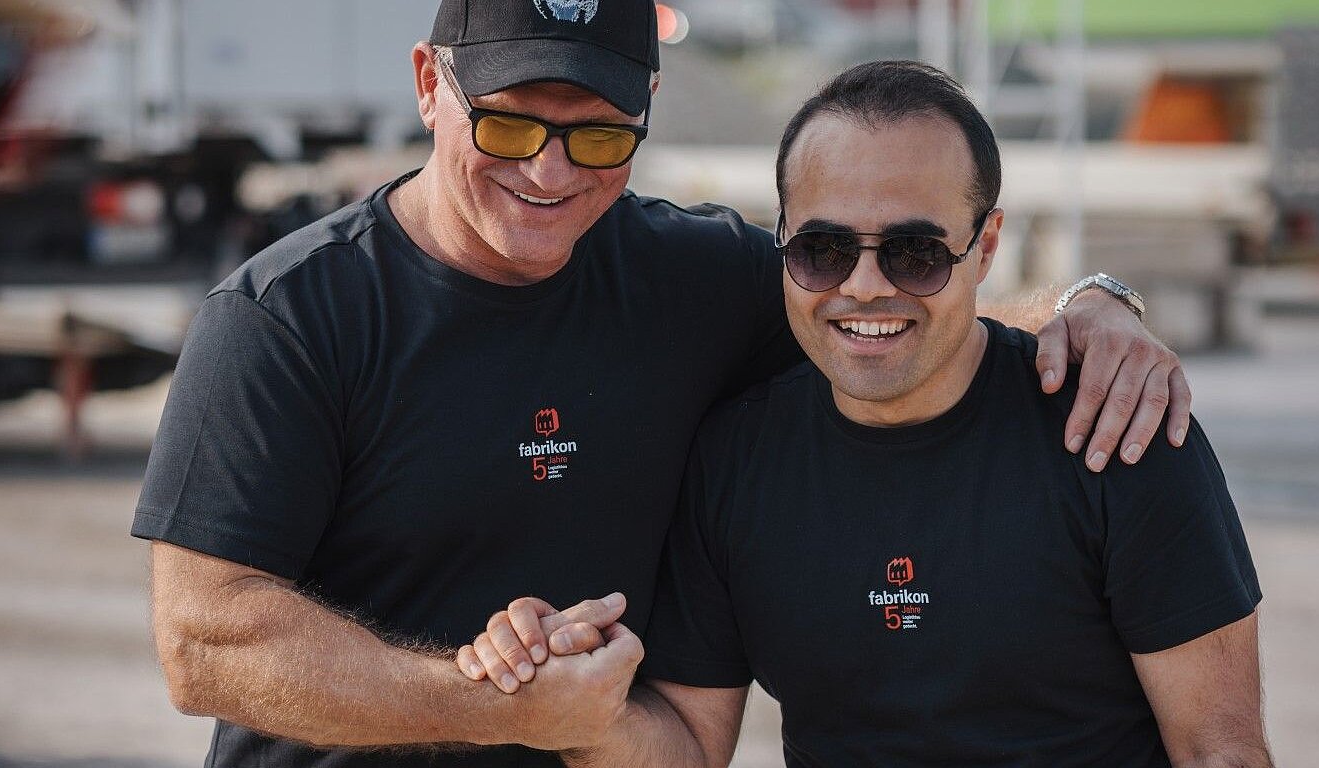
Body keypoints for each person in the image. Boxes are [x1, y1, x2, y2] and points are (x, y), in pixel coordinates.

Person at [134, 3, 1192, 767]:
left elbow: (889, 312)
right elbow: (205, 641)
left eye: (596, 135)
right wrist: (488, 703)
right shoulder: (287, 319)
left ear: (645, 113)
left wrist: (1083, 308)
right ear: (426, 85)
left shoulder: (694, 278)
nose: (548, 172)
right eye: (508, 125)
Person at [471, 60, 1269, 767]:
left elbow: (1219, 750)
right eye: (822, 250)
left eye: (916, 254)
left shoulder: (1116, 429)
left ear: (985, 248)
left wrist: (1099, 300)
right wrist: (572, 708)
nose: (863, 287)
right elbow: (686, 742)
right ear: (782, 243)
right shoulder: (734, 461)